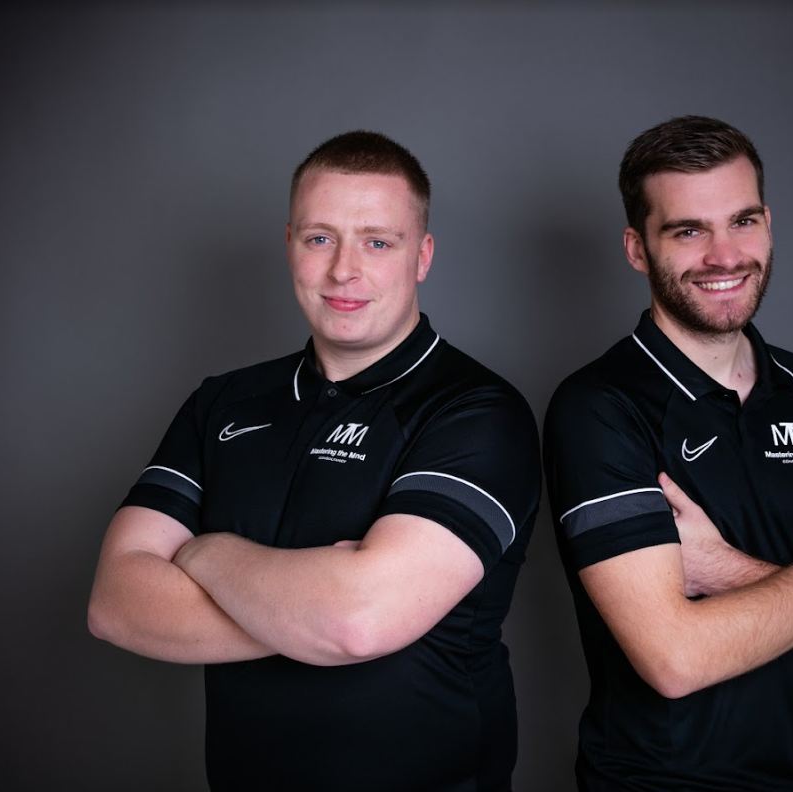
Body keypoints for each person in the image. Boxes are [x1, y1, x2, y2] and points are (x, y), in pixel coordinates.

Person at [88, 130, 540, 791]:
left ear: (422, 256)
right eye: (320, 238)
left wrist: (207, 553)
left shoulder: (477, 412)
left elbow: (356, 622)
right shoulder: (223, 402)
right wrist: (313, 609)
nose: (343, 270)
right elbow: (115, 604)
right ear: (290, 245)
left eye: (377, 242)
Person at [544, 116, 793, 791]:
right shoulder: (598, 408)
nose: (724, 256)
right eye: (689, 231)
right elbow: (675, 659)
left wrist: (729, 570)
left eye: (743, 221)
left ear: (768, 224)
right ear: (637, 248)